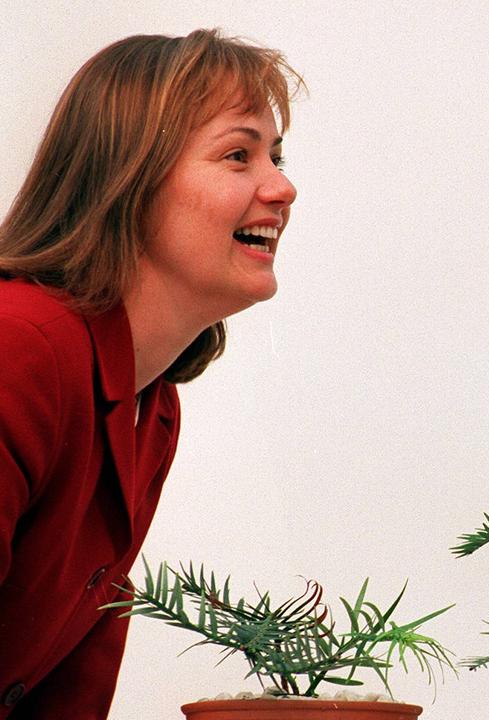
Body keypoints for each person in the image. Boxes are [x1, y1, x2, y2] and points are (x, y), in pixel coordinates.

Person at [0, 29, 300, 719]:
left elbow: (70, 681)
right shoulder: (20, 350)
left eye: (276, 156)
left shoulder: (150, 405)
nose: (282, 187)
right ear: (127, 180)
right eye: (238, 155)